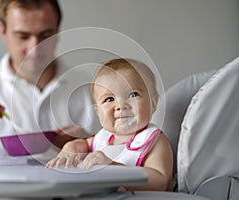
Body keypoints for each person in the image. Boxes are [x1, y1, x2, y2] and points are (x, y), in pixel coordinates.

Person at [0, 0, 100, 160]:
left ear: (58, 32)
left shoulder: (92, 88)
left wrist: (91, 144)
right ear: (3, 31)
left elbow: (121, 162)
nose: (34, 48)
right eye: (23, 36)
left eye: (45, 35)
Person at [46, 58, 173, 191]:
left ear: (153, 103)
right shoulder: (103, 138)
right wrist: (69, 150)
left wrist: (112, 167)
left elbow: (160, 181)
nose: (120, 105)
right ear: (98, 112)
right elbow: (81, 144)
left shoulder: (153, 141)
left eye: (133, 94)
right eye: (109, 99)